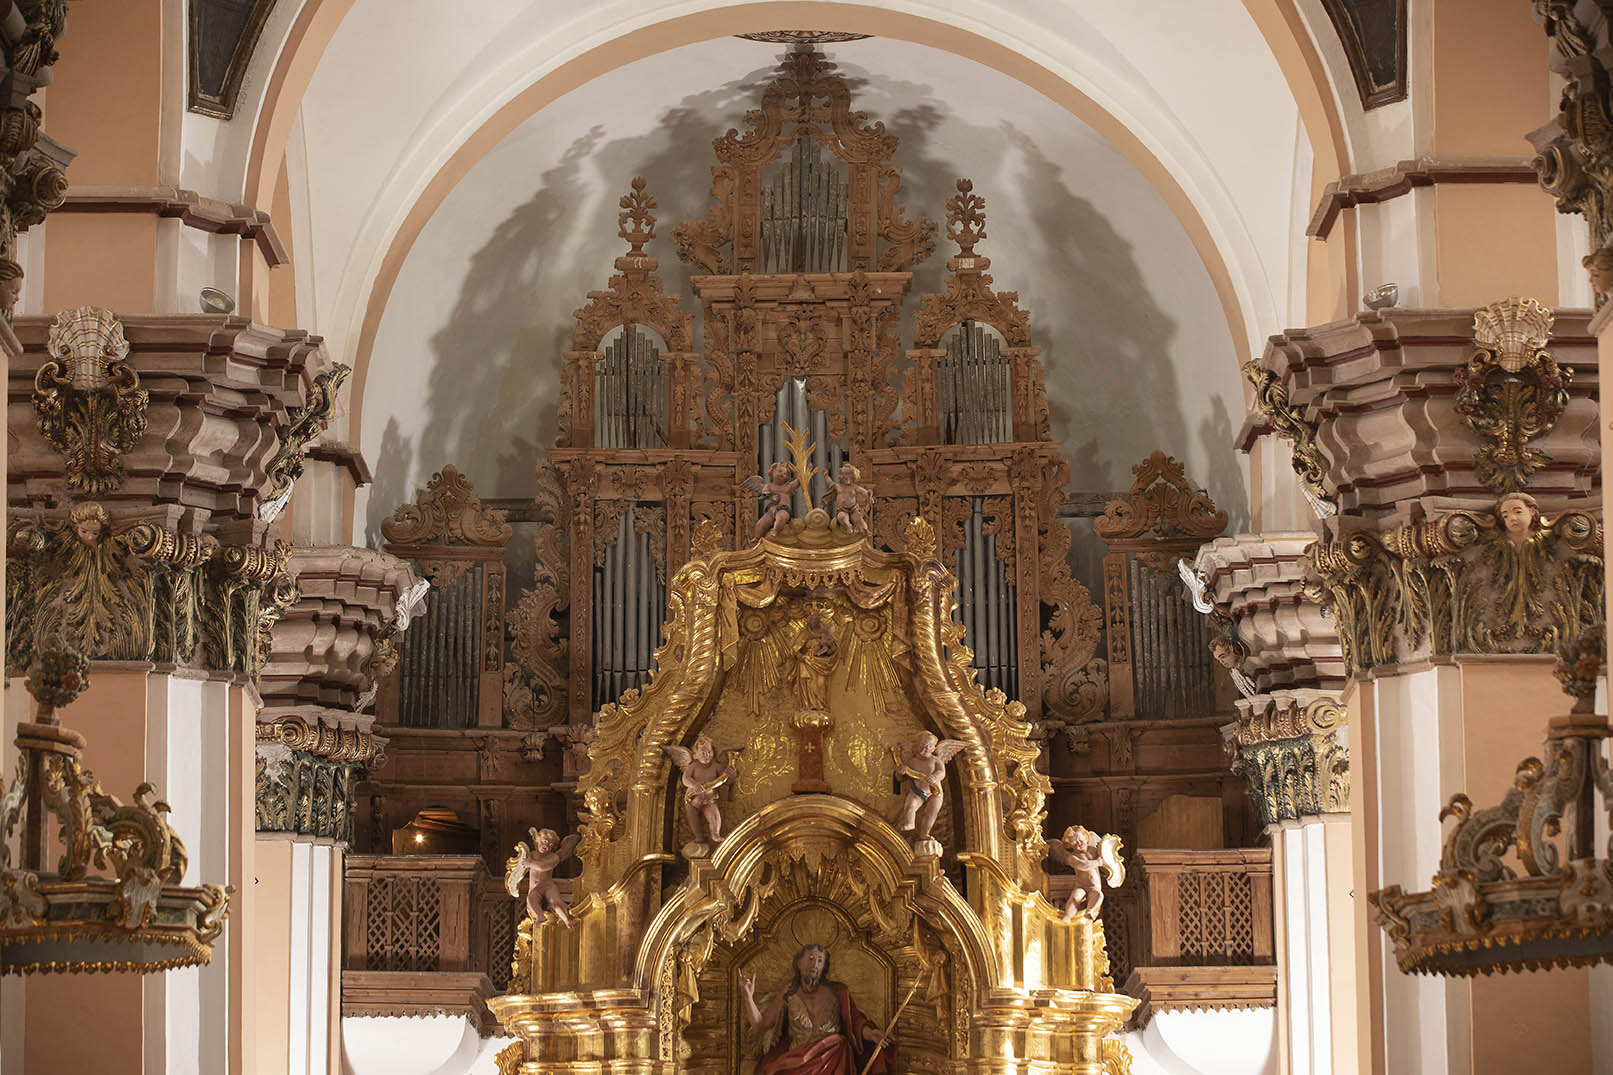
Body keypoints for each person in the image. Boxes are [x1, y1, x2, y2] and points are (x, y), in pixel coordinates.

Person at [739, 945, 892, 1075]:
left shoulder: (838, 992)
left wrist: (871, 1034)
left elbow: (855, 1022)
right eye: (811, 958)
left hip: (833, 1059)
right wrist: (748, 997)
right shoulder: (789, 992)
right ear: (799, 963)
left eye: (820, 960)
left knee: (840, 1043)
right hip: (796, 1063)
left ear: (824, 966)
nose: (815, 965)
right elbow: (760, 1025)